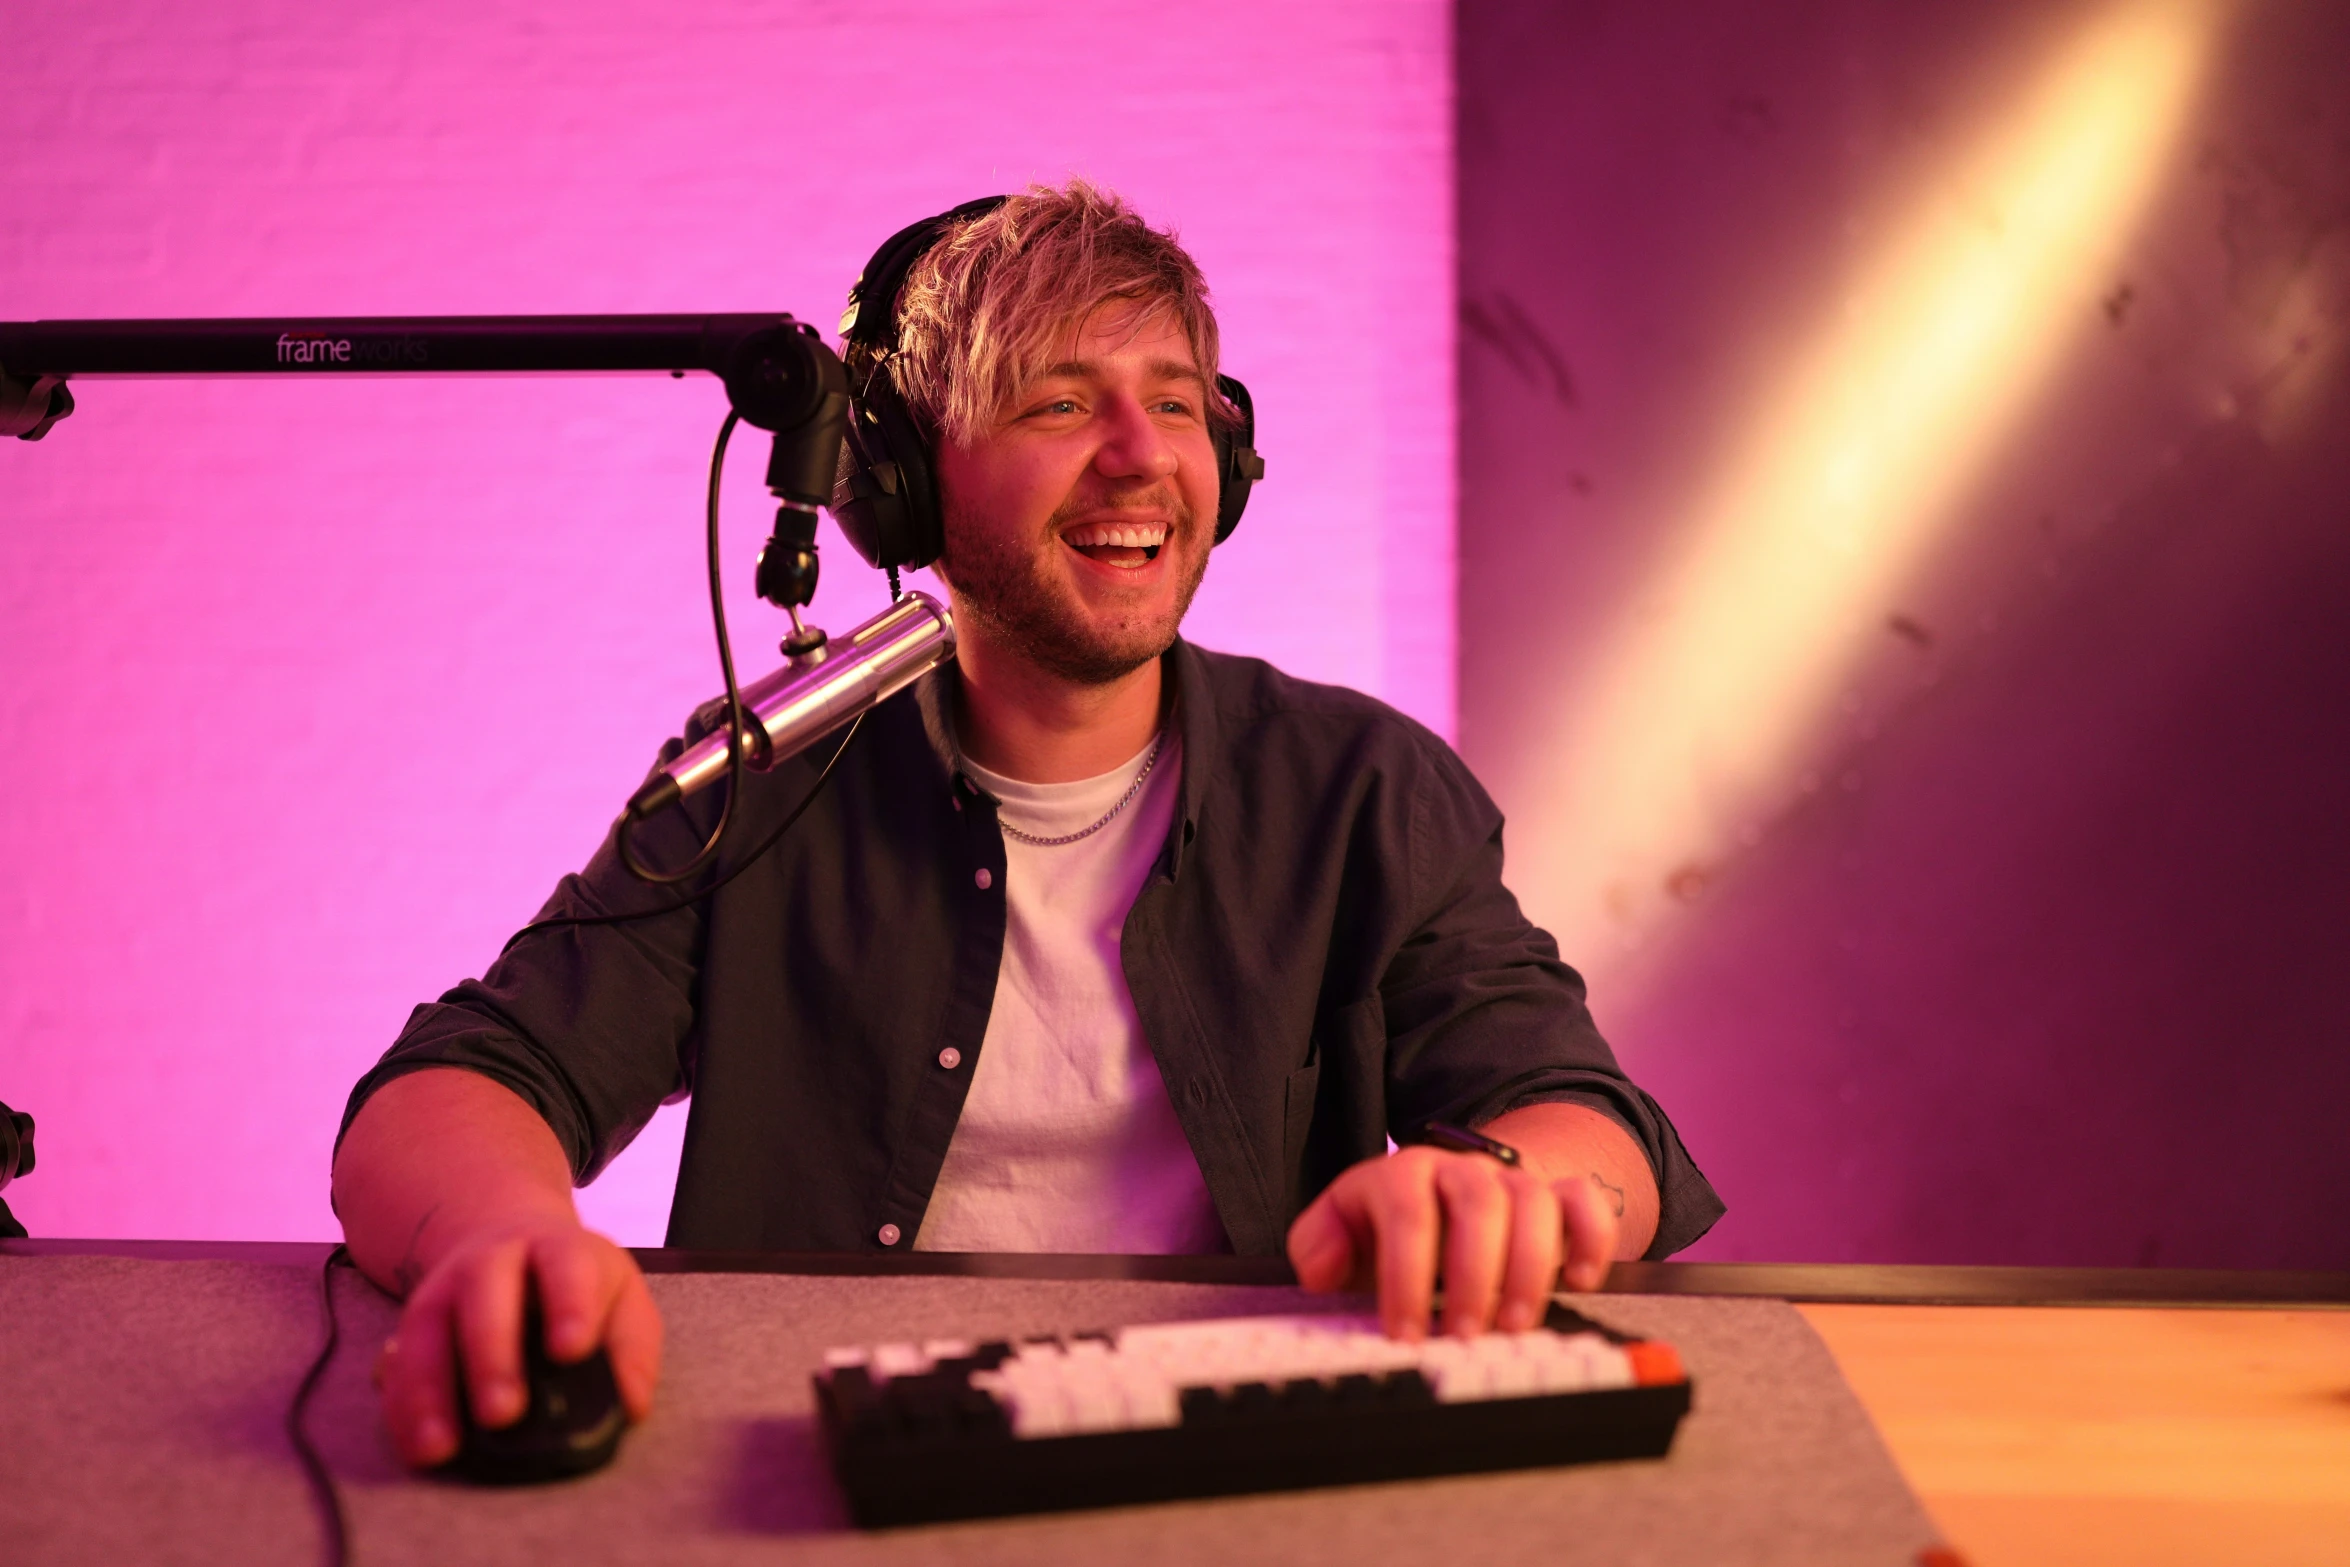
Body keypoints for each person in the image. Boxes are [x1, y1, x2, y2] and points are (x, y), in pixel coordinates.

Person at [333, 182, 1722, 1469]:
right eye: (1059, 405)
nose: (1137, 458)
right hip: (825, 1452)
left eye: (1173, 406)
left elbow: (1593, 1129)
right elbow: (458, 1081)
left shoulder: (1358, 786)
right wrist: (500, 1235)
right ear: (906, 485)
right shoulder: (768, 780)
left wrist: (1502, 1191)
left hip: (1232, 1461)